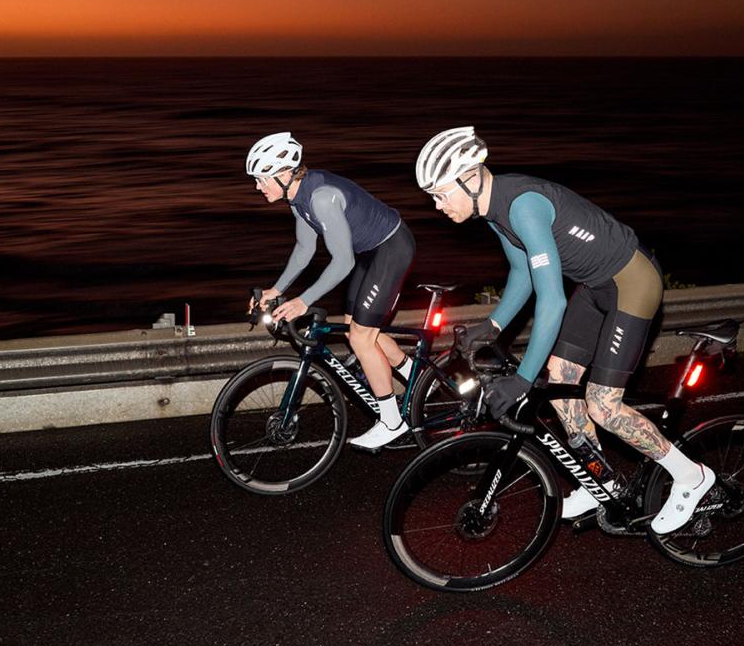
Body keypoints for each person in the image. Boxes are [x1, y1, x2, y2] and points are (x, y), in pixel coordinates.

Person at [414, 126, 715, 534]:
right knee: (559, 380)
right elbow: (522, 271)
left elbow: (552, 301)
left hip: (632, 281)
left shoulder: (522, 206)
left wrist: (522, 380)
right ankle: (600, 480)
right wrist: (493, 325)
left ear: (469, 179)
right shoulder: (492, 209)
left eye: (440, 194)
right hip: (595, 286)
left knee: (603, 406)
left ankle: (691, 476)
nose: (437, 205)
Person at [245, 131, 417, 450]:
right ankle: (414, 376)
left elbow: (343, 262)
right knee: (357, 328)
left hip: (391, 248)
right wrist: (276, 289)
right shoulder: (298, 199)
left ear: (284, 174)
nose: (258, 186)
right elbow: (304, 248)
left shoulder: (321, 198)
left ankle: (392, 422)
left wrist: (303, 301)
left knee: (362, 338)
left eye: (261, 179)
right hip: (370, 253)